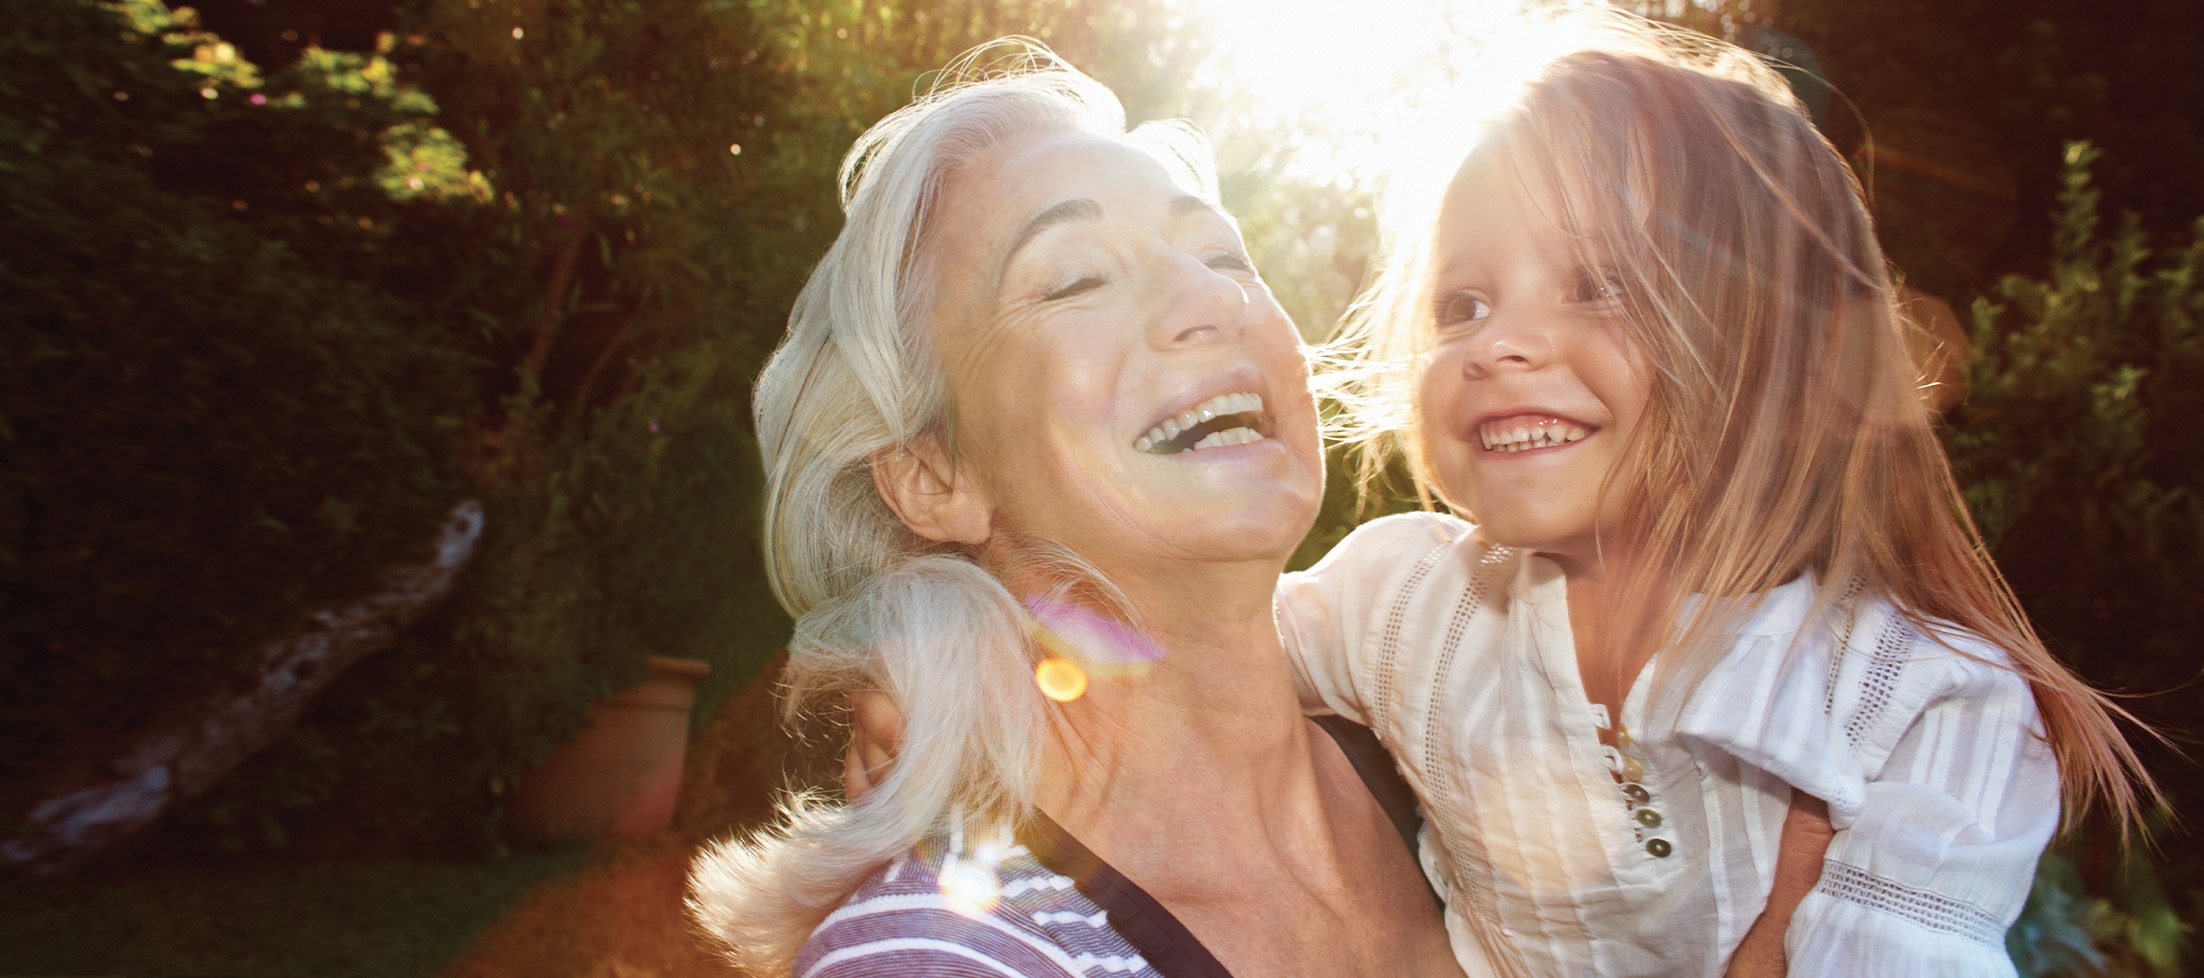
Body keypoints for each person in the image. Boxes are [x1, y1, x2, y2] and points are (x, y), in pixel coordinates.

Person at [1278, 12, 2156, 976]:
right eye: (1464, 305)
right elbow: (1155, 670)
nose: (1497, 344)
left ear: (1788, 358)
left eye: (1600, 283)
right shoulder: (1399, 599)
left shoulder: (1922, 701)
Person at [687, 44, 1464, 978]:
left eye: (1223, 253)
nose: (1214, 294)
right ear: (933, 475)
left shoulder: (1475, 750)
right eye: (1076, 278)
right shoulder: (941, 960)